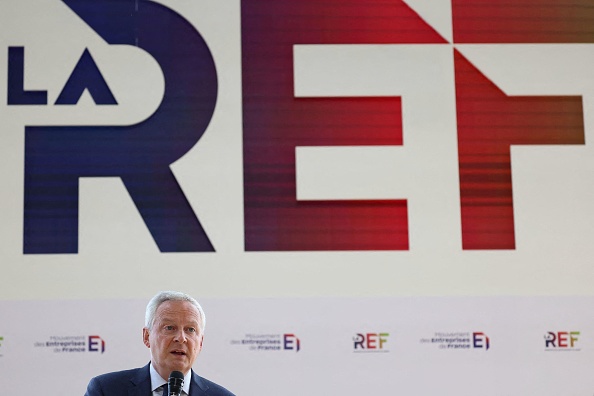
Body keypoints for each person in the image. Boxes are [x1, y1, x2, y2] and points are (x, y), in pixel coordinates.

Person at [85, 291, 235, 395]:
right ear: (147, 336)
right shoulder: (106, 390)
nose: (181, 338)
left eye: (190, 329)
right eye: (169, 328)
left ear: (200, 343)